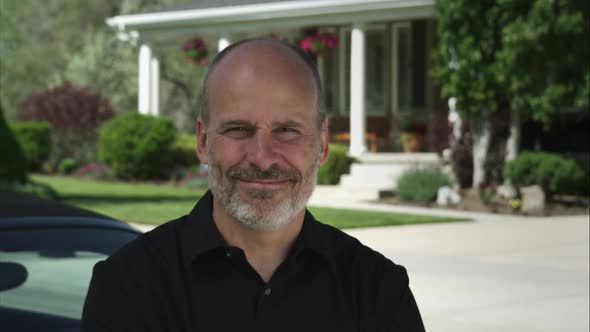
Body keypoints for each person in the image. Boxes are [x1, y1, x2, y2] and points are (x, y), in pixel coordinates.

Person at [81, 37, 425, 332]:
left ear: (321, 145)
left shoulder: (378, 289)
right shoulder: (129, 285)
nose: (262, 157)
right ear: (203, 141)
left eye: (287, 131)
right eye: (238, 130)